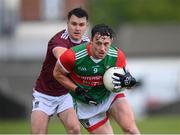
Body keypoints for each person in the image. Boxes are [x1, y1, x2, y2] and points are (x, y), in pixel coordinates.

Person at [53, 24, 140, 134]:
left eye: (106, 44)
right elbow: (57, 74)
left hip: (110, 95)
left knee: (131, 130)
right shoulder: (72, 56)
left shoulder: (117, 56)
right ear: (91, 41)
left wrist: (130, 83)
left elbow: (127, 82)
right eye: (98, 43)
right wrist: (77, 89)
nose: (102, 49)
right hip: (86, 104)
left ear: (111, 41)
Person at [31, 8, 89, 134]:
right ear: (67, 23)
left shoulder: (87, 43)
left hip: (65, 94)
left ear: (86, 26)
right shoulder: (59, 40)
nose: (77, 28)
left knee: (75, 130)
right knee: (39, 133)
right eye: (74, 24)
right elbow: (64, 58)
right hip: (44, 93)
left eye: (81, 24)